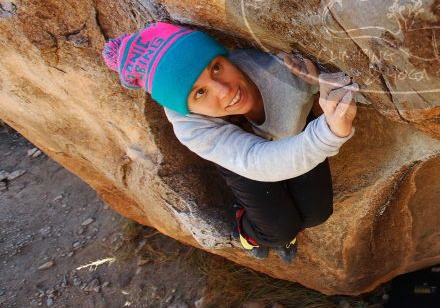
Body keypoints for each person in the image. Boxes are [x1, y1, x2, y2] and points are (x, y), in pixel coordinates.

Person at [101, 21, 359, 262]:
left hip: (292, 128)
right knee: (279, 230)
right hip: (241, 156)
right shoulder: (191, 127)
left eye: (216, 67)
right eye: (200, 92)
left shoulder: (275, 70)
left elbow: (325, 80)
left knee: (316, 214)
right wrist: (329, 132)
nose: (225, 90)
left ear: (224, 56)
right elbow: (256, 161)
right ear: (186, 107)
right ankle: (248, 230)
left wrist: (317, 84)